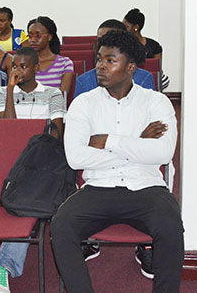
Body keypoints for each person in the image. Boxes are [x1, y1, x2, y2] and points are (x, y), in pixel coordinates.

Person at [51, 30, 183, 293]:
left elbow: (163, 153)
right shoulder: (83, 104)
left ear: (130, 67)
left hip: (147, 188)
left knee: (171, 227)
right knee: (61, 224)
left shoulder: (156, 102)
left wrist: (106, 140)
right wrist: (137, 141)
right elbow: (76, 158)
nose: (100, 66)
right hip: (98, 188)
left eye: (110, 60)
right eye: (99, 59)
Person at [0, 47, 65, 293]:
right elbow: (4, 130)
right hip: (3, 158)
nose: (17, 71)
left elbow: (56, 135)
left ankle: (2, 267)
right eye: (14, 66)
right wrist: (9, 92)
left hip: (38, 165)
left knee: (32, 199)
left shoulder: (53, 94)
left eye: (23, 66)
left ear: (37, 68)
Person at [74, 19, 155, 99]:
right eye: (100, 40)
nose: (105, 44)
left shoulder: (144, 78)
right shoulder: (84, 82)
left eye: (112, 40)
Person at [123, 8, 167, 91]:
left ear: (136, 27)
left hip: (148, 75)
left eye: (126, 26)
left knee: (162, 78)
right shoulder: (124, 44)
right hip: (131, 75)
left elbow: (156, 67)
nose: (123, 29)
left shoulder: (154, 45)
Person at [27, 16, 73, 92]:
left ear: (49, 37)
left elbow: (62, 97)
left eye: (38, 36)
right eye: (30, 36)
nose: (33, 40)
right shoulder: (25, 63)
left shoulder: (64, 63)